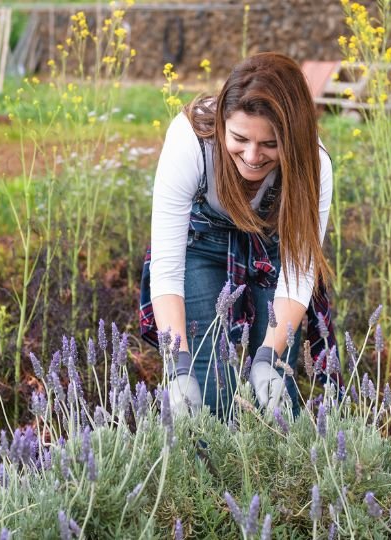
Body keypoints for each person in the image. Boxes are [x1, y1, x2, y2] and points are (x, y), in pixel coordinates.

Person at [139, 52, 336, 418]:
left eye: (270, 144)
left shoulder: (315, 163)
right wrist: (178, 366)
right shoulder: (190, 141)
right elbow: (167, 270)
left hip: (273, 250)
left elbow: (298, 276)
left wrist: (266, 357)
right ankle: (207, 473)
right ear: (222, 122)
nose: (252, 156)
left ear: (292, 138)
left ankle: (281, 473)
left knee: (275, 385)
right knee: (207, 386)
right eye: (240, 138)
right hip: (202, 247)